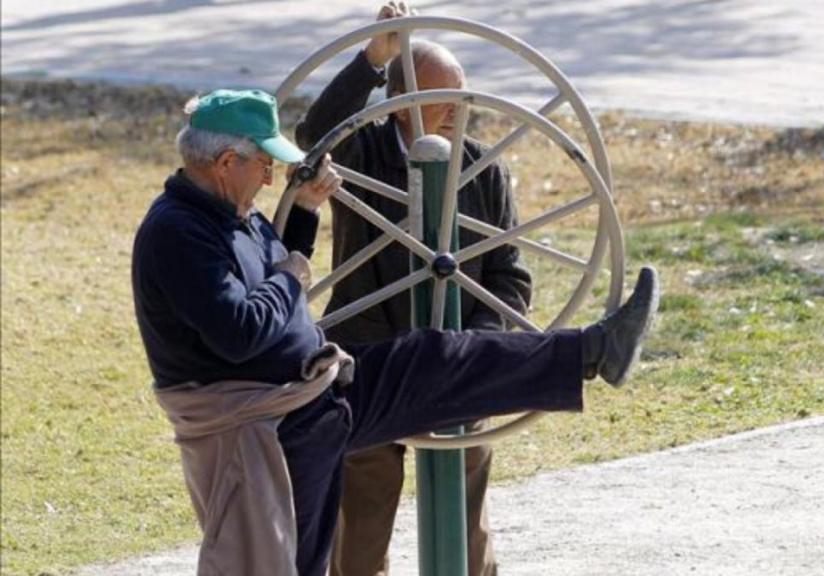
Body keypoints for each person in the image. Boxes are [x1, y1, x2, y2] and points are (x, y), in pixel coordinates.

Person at [132, 88, 659, 576]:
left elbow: (273, 271)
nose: (271, 179)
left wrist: (307, 214)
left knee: (436, 360)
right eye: (265, 164)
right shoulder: (177, 233)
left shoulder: (235, 214)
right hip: (262, 425)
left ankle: (595, 350)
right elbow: (241, 330)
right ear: (227, 163)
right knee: (289, 560)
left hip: (312, 395)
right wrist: (293, 272)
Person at [293, 4, 526, 574]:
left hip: (453, 358)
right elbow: (312, 134)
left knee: (465, 508)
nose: (456, 111)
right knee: (362, 518)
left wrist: (476, 349)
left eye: (462, 97)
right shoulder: (363, 154)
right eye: (440, 98)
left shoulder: (482, 168)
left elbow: (509, 274)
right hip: (370, 354)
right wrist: (374, 58)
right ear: (400, 109)